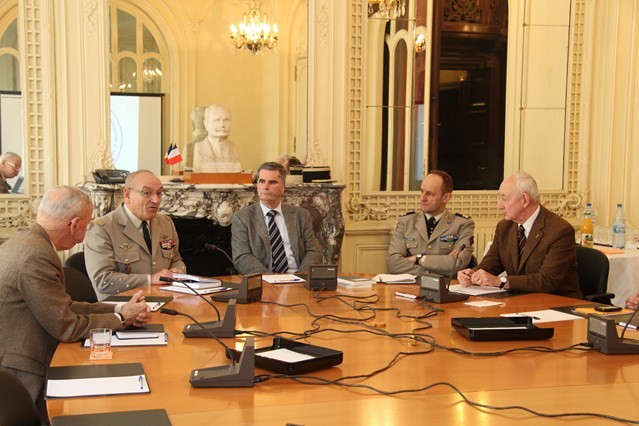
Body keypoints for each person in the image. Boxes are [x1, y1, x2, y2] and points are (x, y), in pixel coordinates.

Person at [0, 185, 150, 423]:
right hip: (24, 373)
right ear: (75, 225)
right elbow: (66, 326)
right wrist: (122, 320)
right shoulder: (37, 256)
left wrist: (119, 309)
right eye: (88, 225)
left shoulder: (27, 241)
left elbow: (64, 306)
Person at [457, 171, 582, 298]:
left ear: (524, 200)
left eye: (504, 199)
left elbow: (547, 280)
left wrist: (500, 281)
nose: (499, 205)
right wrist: (472, 274)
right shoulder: (504, 227)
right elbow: (491, 264)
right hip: (519, 300)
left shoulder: (560, 230)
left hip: (557, 304)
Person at [84, 169, 186, 300]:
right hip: (122, 308)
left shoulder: (165, 223)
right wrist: (149, 280)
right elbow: (102, 280)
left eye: (159, 193)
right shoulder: (101, 229)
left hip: (164, 300)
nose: (156, 200)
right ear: (127, 194)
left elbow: (176, 260)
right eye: (147, 193)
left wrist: (177, 271)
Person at [232, 161, 323, 274]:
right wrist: (270, 278)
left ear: (283, 187)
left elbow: (313, 250)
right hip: (264, 280)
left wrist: (301, 276)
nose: (265, 187)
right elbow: (242, 256)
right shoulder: (242, 218)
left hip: (296, 277)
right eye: (262, 181)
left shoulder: (301, 215)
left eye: (272, 182)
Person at [386, 170, 475, 275]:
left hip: (445, 288)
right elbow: (393, 263)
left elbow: (457, 263)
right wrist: (433, 272)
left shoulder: (462, 224)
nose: (422, 198)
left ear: (446, 197)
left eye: (429, 194)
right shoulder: (405, 222)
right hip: (411, 286)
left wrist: (419, 259)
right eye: (422, 191)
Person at [192, 104, 242, 173]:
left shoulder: (234, 148)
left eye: (226, 120)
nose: (222, 125)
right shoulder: (199, 148)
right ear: (206, 124)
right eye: (217, 120)